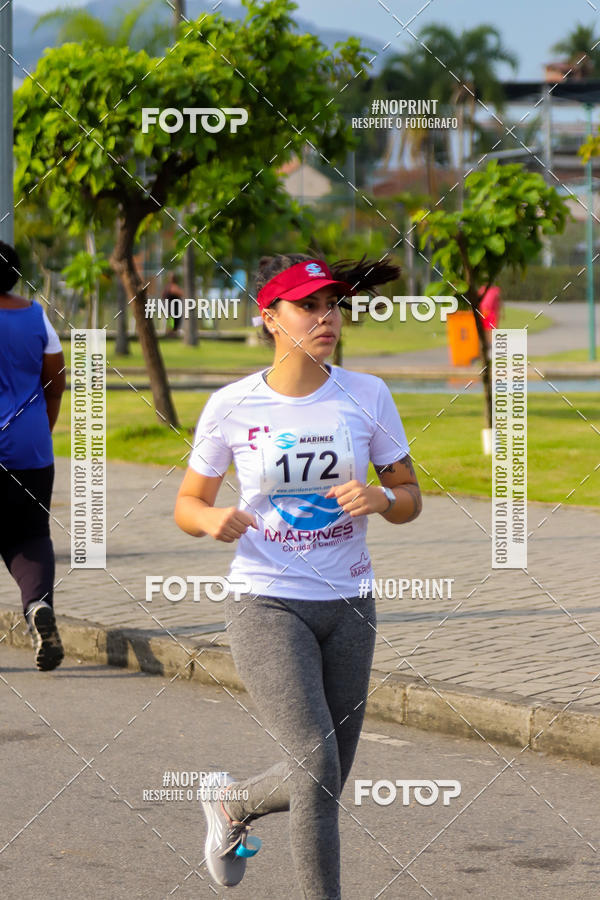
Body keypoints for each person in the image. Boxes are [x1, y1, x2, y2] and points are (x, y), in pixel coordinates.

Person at [174, 253, 422, 899]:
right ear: (270, 318)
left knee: (326, 777)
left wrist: (382, 500)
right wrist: (211, 520)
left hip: (351, 603)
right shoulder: (232, 405)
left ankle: (231, 805)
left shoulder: (367, 394)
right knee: (315, 764)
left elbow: (411, 496)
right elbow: (186, 503)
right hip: (266, 601)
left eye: (332, 304)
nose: (325, 317)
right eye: (308, 305)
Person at [0, 241, 66, 671]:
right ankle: (38, 606)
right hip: (30, 449)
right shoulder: (37, 315)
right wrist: (42, 430)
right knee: (29, 535)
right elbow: (55, 382)